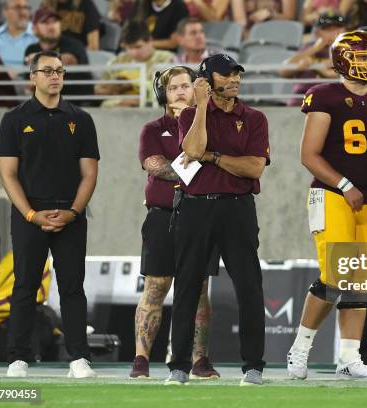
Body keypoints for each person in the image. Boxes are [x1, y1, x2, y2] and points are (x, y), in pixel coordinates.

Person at [286, 29, 367, 381]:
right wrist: (344, 184)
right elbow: (309, 154)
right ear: (343, 60)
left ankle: (349, 357)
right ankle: (301, 347)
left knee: (361, 281)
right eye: (364, 57)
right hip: (333, 195)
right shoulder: (324, 95)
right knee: (336, 276)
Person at [165, 53, 269, 386]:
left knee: (249, 286)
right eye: (226, 75)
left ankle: (253, 366)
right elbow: (193, 150)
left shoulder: (254, 117)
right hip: (196, 208)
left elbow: (254, 167)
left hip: (238, 208)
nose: (235, 80)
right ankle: (179, 367)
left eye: (237, 74)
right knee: (187, 287)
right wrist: (200, 106)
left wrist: (216, 157)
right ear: (207, 81)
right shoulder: (192, 115)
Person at [0, 50, 99, 378]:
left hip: (71, 215)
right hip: (29, 215)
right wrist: (30, 215)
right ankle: (18, 358)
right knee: (25, 285)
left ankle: (79, 359)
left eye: (60, 71)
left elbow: (90, 173)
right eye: (48, 71)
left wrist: (72, 212)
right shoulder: (14, 119)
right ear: (33, 77)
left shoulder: (81, 119)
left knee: (72, 287)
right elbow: (8, 174)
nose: (55, 76)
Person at [131, 65, 219, 380]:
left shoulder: (212, 124)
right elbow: (157, 168)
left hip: (201, 216)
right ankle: (141, 359)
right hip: (163, 216)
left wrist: (195, 159)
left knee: (198, 291)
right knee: (155, 287)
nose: (181, 91)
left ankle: (199, 360)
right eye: (174, 87)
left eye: (186, 85)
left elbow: (218, 167)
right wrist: (198, 161)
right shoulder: (153, 129)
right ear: (164, 95)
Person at [94, 20, 174, 107]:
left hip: (151, 106)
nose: (134, 53)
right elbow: (99, 90)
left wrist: (133, 87)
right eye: (129, 48)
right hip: (117, 105)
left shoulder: (167, 59)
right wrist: (115, 89)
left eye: (138, 47)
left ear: (150, 40)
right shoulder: (117, 61)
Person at [25, 6, 94, 105]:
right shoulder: (31, 49)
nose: (52, 26)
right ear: (34, 28)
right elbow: (30, 83)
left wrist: (38, 59)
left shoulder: (74, 45)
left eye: (55, 21)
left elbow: (69, 59)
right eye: (45, 22)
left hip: (77, 103)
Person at [279, 12, 346, 106]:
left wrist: (315, 64)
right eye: (328, 29)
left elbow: (345, 71)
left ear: (345, 30)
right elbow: (283, 71)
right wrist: (315, 48)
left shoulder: (349, 49)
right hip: (302, 98)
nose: (334, 33)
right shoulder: (309, 47)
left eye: (337, 28)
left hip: (332, 99)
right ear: (318, 32)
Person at [0, 0, 38, 66]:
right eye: (17, 8)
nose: (23, 12)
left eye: (26, 8)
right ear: (4, 12)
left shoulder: (39, 36)